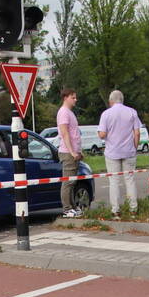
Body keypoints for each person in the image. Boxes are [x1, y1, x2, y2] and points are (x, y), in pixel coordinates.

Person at [98, 89, 142, 219]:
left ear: (111, 101)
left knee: (114, 181)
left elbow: (102, 134)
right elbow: (137, 132)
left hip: (112, 152)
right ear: (122, 100)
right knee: (130, 180)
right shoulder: (132, 112)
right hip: (129, 151)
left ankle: (116, 210)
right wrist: (134, 147)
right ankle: (133, 209)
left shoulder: (106, 114)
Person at [56, 88, 82, 218]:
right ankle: (67, 208)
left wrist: (78, 151)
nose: (75, 100)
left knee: (72, 181)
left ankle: (72, 207)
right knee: (68, 181)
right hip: (68, 152)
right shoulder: (64, 113)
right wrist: (72, 151)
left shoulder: (70, 113)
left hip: (74, 152)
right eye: (73, 97)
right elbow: (65, 133)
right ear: (65, 97)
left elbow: (74, 133)